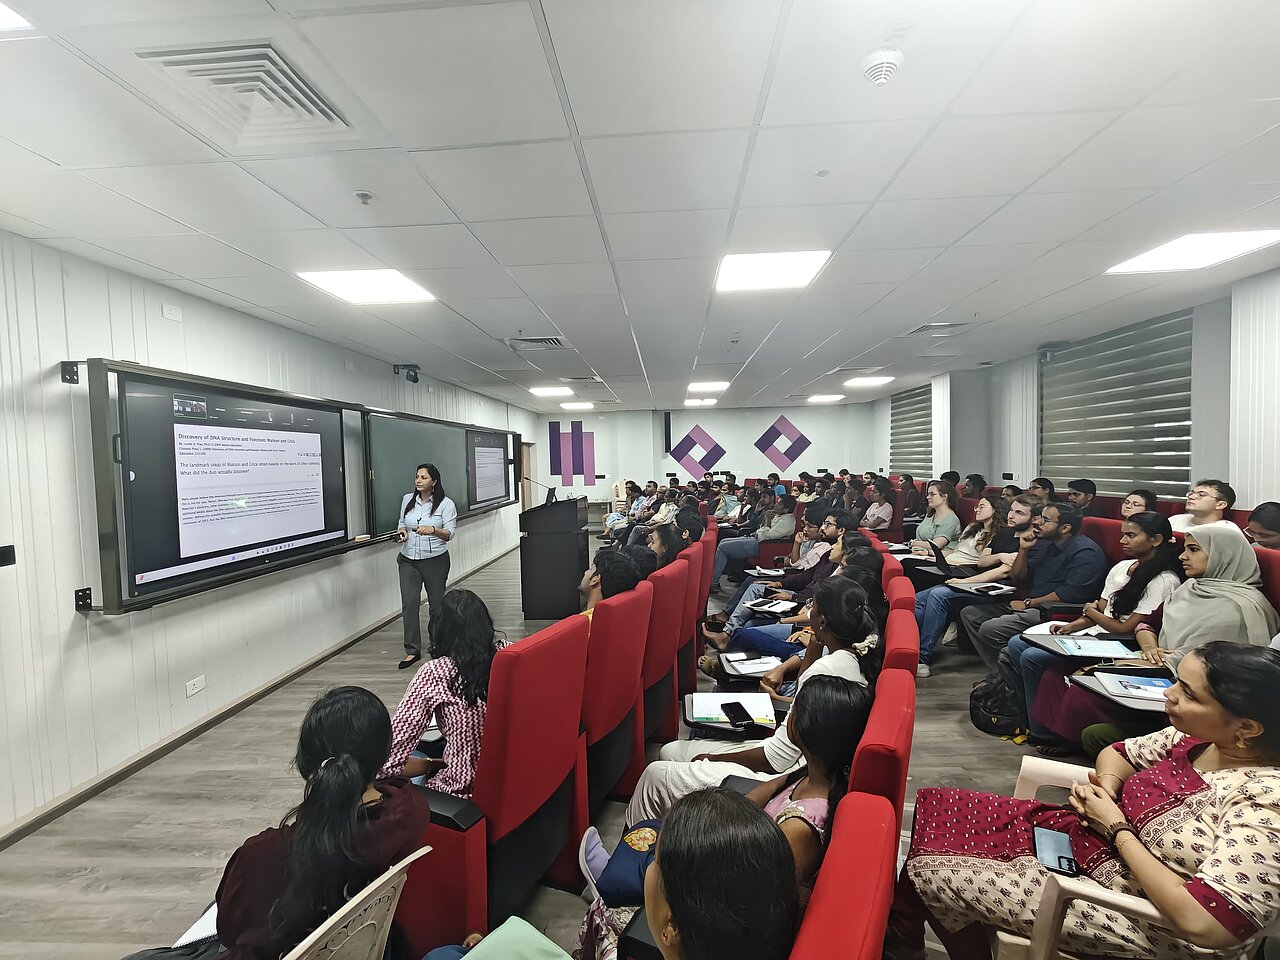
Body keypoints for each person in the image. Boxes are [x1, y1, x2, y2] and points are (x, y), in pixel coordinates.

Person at [885, 643, 1280, 960]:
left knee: (930, 871)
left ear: (1247, 727)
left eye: (1188, 693)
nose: (1168, 694)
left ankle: (910, 936)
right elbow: (1118, 753)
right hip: (1091, 843)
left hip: (1144, 916)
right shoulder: (1199, 741)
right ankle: (913, 932)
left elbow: (1208, 924)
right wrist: (1107, 788)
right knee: (941, 807)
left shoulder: (1265, 802)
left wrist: (1117, 828)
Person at [577, 678, 868, 960]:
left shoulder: (799, 830)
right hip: (733, 850)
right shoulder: (812, 774)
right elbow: (765, 791)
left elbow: (750, 897)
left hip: (720, 892)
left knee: (606, 911)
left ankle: (618, 883)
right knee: (661, 832)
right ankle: (622, 872)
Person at [185, 687, 429, 960]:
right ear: (384, 753)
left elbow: (229, 931)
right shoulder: (410, 812)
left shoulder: (262, 856)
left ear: (308, 762)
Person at [627, 576, 881, 822]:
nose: (807, 612)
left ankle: (646, 844)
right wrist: (815, 644)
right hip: (794, 762)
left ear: (823, 621)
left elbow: (775, 758)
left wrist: (712, 758)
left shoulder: (824, 671)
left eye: (811, 607)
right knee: (670, 750)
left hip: (782, 775)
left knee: (654, 775)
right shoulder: (853, 659)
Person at [1032, 523, 1280, 754]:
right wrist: (1150, 647)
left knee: (1083, 685)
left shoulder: (1238, 608)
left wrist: (1117, 664)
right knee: (1057, 672)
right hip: (1154, 659)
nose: (1182, 556)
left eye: (1193, 550)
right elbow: (1147, 624)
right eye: (1185, 549)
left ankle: (1075, 744)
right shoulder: (1191, 588)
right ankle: (1055, 736)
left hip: (1184, 681)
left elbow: (1201, 663)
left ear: (1223, 556)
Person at [1005, 511, 1184, 754]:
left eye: (1131, 536)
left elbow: (1125, 627)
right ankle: (1030, 721)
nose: (1122, 541)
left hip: (1122, 643)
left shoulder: (1163, 580)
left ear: (1156, 540)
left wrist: (1090, 612)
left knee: (1034, 658)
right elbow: (1101, 607)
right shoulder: (1122, 567)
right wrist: (1073, 626)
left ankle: (1045, 732)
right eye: (1122, 535)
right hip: (1097, 633)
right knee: (1017, 644)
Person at [380, 590, 503, 798]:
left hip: (462, 792)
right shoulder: (509, 655)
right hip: (512, 782)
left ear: (441, 628)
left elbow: (389, 761)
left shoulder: (435, 673)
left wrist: (431, 765)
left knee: (414, 755)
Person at [960, 501, 1108, 671]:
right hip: (1031, 602)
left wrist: (1029, 603)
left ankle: (1006, 677)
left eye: (1045, 520)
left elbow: (1069, 593)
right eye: (1040, 517)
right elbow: (1018, 578)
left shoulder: (1086, 553)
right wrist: (1023, 550)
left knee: (991, 629)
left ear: (1065, 528)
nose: (1037, 523)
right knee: (970, 614)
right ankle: (1002, 675)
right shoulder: (1047, 544)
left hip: (1054, 610)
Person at [912, 494, 1040, 677]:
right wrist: (1000, 556)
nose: (1011, 515)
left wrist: (964, 582)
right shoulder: (1004, 533)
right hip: (979, 581)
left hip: (999, 589)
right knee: (918, 599)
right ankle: (911, 647)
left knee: (939, 595)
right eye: (1011, 510)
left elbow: (1003, 572)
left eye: (1019, 513)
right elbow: (982, 561)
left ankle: (922, 658)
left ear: (1034, 518)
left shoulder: (1031, 540)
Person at [396, 462, 458, 669]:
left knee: (437, 606)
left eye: (423, 477)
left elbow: (449, 534)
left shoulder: (446, 504)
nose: (418, 481)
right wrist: (402, 533)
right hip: (408, 560)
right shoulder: (407, 499)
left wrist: (433, 530)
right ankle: (412, 650)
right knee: (409, 604)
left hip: (435, 561)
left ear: (434, 481)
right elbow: (402, 523)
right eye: (417, 477)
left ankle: (437, 645)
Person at [709, 495, 797, 589]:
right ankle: (714, 580)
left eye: (779, 504)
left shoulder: (788, 521)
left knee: (723, 548)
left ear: (786, 509)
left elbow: (767, 536)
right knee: (723, 541)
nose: (775, 505)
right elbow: (761, 529)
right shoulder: (777, 515)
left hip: (763, 546)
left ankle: (713, 583)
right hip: (755, 538)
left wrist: (767, 520)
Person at [580, 549, 645, 615]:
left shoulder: (582, 620)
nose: (586, 572)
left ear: (595, 580)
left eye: (591, 569)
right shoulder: (618, 616)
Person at [1169, 478, 1237, 533]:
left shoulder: (1226, 531)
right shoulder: (1176, 520)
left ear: (1220, 505)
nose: (1191, 497)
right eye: (1191, 493)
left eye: (1201, 495)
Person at [911, 480, 962, 548]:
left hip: (938, 554)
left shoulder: (950, 520)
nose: (928, 497)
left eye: (932, 494)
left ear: (944, 496)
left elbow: (936, 545)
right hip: (919, 551)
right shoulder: (931, 514)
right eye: (928, 494)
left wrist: (913, 543)